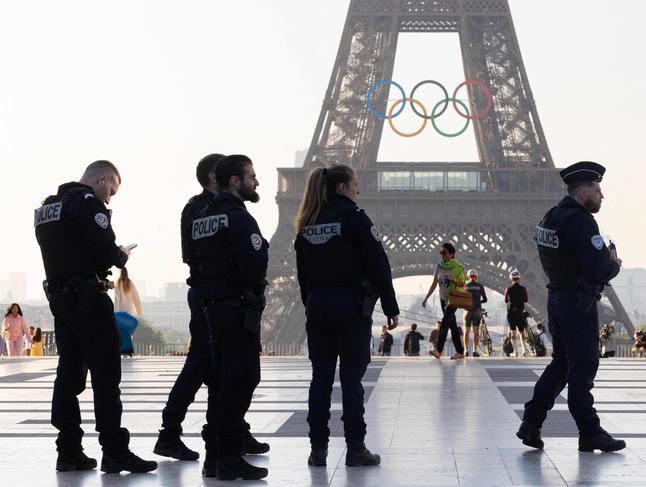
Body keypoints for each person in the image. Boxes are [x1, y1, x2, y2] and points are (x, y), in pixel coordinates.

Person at [33, 160, 157, 473]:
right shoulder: (87, 204)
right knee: (105, 377)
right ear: (101, 179)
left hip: (61, 300)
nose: (109, 199)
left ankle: (69, 449)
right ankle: (115, 450)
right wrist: (121, 254)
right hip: (88, 298)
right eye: (110, 191)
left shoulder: (47, 208)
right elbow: (106, 255)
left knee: (68, 375)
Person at [154, 154, 268, 466]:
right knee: (207, 365)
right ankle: (178, 431)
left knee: (217, 369)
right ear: (218, 176)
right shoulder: (211, 208)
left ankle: (222, 433)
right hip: (216, 296)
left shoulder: (197, 209)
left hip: (207, 292)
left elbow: (188, 254)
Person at [294, 164, 399, 468]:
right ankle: (355, 448)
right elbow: (379, 266)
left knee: (320, 379)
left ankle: (318, 449)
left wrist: (313, 303)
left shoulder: (307, 224)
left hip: (318, 304)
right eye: (355, 184)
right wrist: (391, 308)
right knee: (351, 379)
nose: (358, 190)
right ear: (342, 187)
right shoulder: (355, 220)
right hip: (350, 306)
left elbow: (303, 276)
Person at [517, 161, 626, 452]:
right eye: (597, 190)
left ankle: (531, 421)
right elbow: (597, 268)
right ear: (583, 193)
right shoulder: (582, 221)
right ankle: (589, 431)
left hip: (557, 297)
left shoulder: (551, 216)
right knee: (583, 366)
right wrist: (612, 264)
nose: (601, 196)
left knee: (562, 363)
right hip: (578, 302)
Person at [191, 154, 269, 480]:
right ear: (234, 181)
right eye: (251, 176)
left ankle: (214, 456)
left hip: (211, 309)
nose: (256, 181)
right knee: (241, 381)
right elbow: (255, 265)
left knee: (219, 383)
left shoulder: (202, 219)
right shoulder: (239, 218)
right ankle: (230, 458)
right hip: (238, 311)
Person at [422, 243, 465, 360]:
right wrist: (426, 297)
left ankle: (438, 350)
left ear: (452, 254)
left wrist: (453, 279)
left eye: (444, 253)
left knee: (445, 323)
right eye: (441, 252)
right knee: (453, 326)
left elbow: (463, 283)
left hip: (453, 299)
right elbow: (434, 283)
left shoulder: (458, 267)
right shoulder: (439, 266)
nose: (442, 255)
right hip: (443, 299)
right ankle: (460, 352)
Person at [113, 267, 142, 357]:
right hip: (128, 313)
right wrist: (138, 311)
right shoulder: (130, 284)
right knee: (128, 332)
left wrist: (115, 312)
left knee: (119, 332)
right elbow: (136, 298)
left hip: (120, 313)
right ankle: (127, 352)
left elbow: (116, 299)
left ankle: (120, 351)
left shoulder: (117, 283)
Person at [505, 271, 529, 357]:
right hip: (520, 312)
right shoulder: (524, 289)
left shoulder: (508, 288)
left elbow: (506, 300)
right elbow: (526, 299)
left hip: (511, 313)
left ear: (511, 278)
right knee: (522, 332)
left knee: (513, 333)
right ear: (519, 278)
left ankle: (515, 352)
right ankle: (524, 351)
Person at [464, 269, 488, 357]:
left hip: (467, 310)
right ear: (476, 276)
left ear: (468, 276)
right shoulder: (480, 286)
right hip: (477, 310)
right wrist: (479, 301)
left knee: (466, 331)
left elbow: (462, 297)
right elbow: (485, 299)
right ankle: (475, 350)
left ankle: (465, 350)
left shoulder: (466, 285)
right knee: (476, 332)